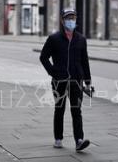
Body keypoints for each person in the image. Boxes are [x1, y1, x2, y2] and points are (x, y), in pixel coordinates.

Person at [39, 8, 92, 152]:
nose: (71, 21)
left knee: (77, 111)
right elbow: (43, 57)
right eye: (68, 18)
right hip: (59, 81)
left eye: (73, 18)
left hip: (76, 81)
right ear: (62, 21)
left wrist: (87, 82)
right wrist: (53, 72)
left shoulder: (81, 39)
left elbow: (84, 61)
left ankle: (79, 140)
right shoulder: (54, 38)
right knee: (59, 110)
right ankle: (58, 138)